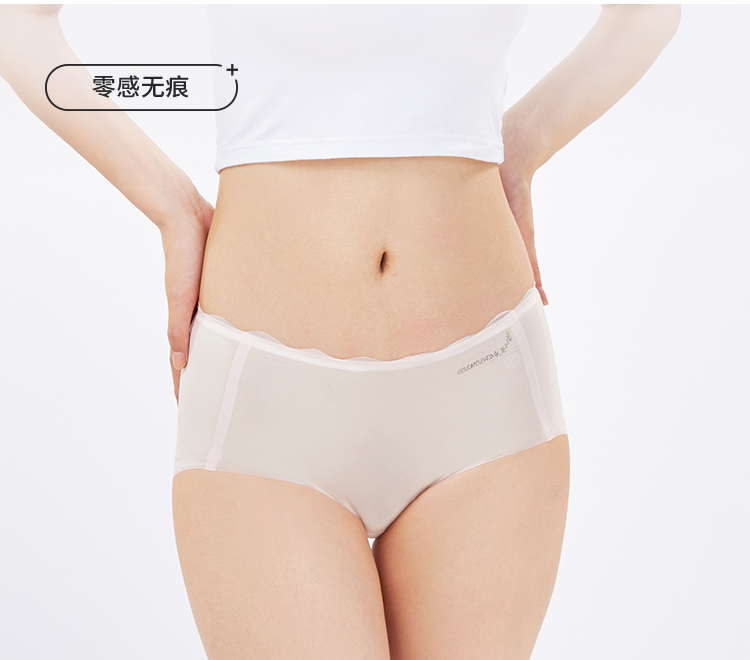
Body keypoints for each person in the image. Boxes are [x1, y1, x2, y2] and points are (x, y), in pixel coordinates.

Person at [0, 4, 681, 659]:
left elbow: (647, 10)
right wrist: (171, 206)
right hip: (268, 407)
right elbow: (18, 19)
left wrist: (523, 143)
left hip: (486, 392)